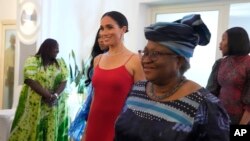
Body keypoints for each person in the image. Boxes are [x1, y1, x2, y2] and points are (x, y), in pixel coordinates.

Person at [115, 14, 230, 141]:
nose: (146, 60)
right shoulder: (137, 89)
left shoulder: (204, 106)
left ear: (179, 60)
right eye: (145, 52)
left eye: (155, 54)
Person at [82, 11, 145, 141]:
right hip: (94, 125)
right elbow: (95, 98)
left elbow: (141, 102)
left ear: (123, 29)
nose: (104, 32)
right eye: (102, 28)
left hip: (120, 129)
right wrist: (86, 130)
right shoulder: (98, 59)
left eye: (110, 27)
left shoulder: (135, 60)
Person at [9, 38, 69, 141]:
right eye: (56, 48)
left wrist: (55, 96)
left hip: (52, 106)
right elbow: (30, 80)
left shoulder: (60, 63)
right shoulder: (33, 61)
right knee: (31, 132)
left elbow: (64, 81)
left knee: (50, 132)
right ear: (48, 48)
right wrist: (48, 95)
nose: (58, 51)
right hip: (34, 105)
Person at [68, 29, 108, 141]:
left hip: (105, 107)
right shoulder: (97, 58)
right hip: (92, 103)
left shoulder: (112, 60)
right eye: (99, 38)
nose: (101, 41)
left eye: (104, 37)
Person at [206, 27, 250, 125]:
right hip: (220, 116)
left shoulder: (248, 64)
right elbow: (211, 92)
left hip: (242, 119)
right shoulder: (219, 63)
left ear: (235, 41)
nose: (220, 43)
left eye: (223, 39)